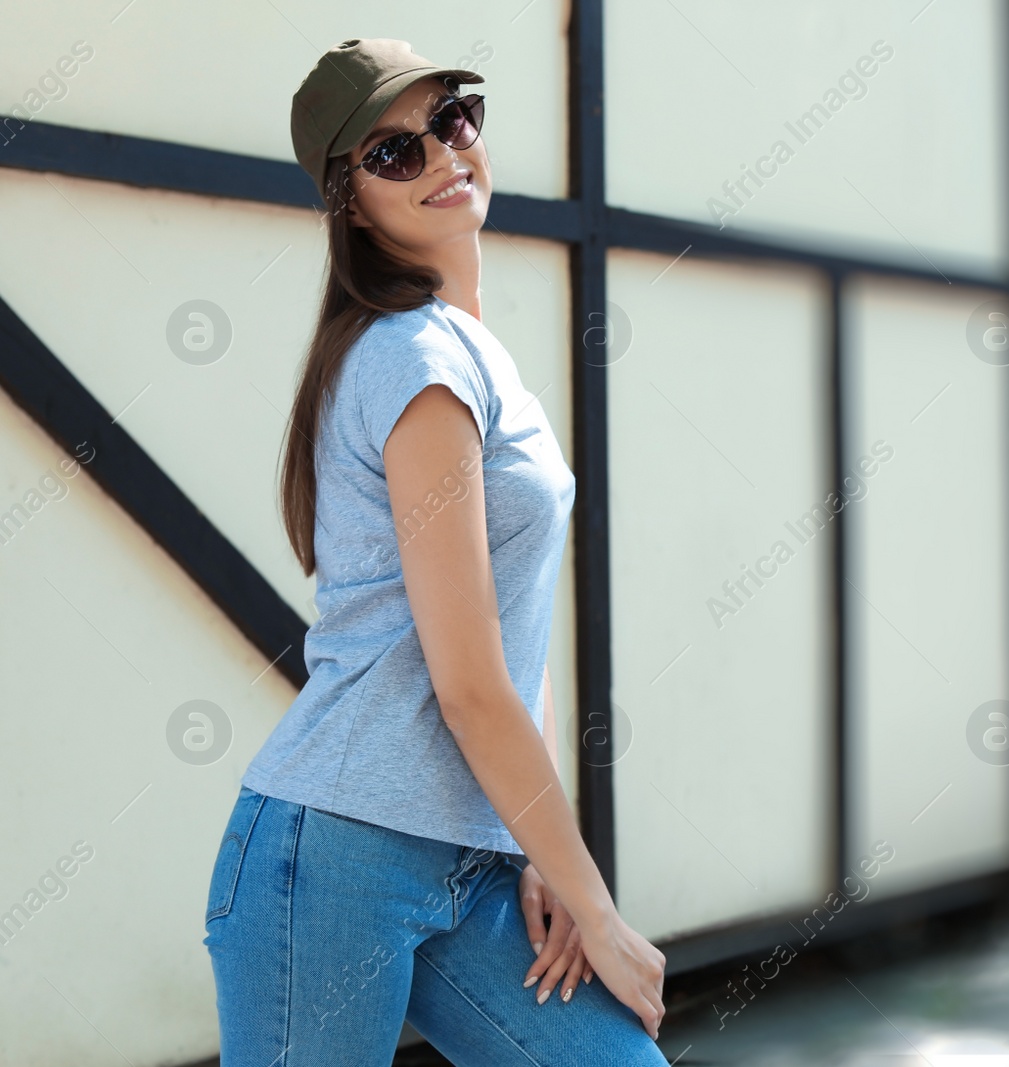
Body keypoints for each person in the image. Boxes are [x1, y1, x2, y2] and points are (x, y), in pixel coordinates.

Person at [201, 38, 668, 1065]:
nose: (444, 155)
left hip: (465, 860)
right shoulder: (413, 362)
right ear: (347, 201)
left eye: (451, 119)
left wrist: (529, 842)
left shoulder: (464, 349)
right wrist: (597, 906)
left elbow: (514, 633)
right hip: (330, 862)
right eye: (394, 152)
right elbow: (467, 684)